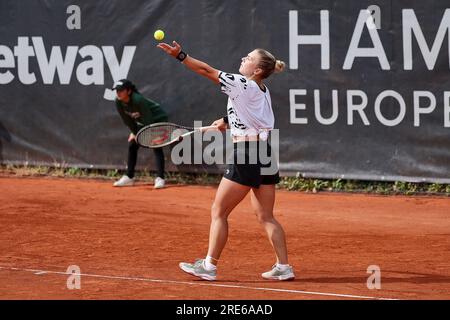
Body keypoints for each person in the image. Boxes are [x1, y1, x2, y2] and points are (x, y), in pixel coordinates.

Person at [157, 41, 294, 281]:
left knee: (218, 211)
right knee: (266, 216)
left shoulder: (241, 83)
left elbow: (206, 70)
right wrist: (226, 121)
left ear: (257, 70)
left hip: (247, 154)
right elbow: (252, 118)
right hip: (265, 153)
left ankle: (209, 266)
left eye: (249, 57)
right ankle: (284, 267)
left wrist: (180, 55)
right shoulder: (261, 89)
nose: (244, 58)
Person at [112, 79, 168, 189]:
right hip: (143, 121)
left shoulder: (138, 100)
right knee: (132, 144)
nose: (118, 93)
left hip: (157, 120)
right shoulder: (118, 101)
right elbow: (127, 120)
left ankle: (160, 178)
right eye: (116, 90)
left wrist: (153, 135)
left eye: (121, 90)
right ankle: (129, 177)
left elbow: (149, 120)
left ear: (128, 91)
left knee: (156, 144)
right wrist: (135, 133)